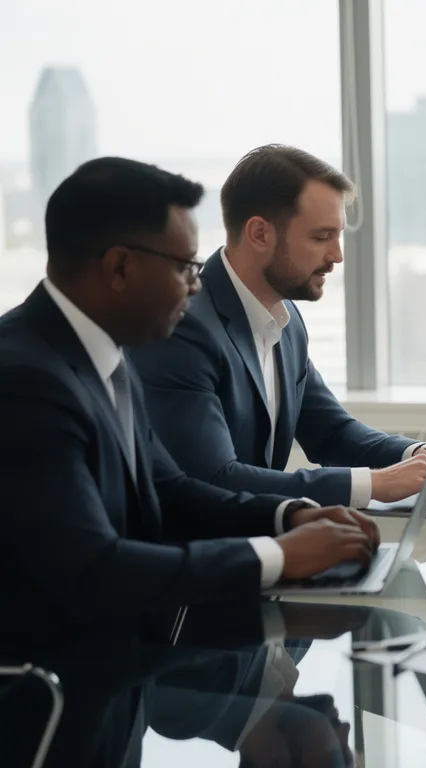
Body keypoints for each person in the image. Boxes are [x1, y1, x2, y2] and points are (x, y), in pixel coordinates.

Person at [0, 158, 380, 641]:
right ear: (120, 266)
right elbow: (93, 569)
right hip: (54, 698)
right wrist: (279, 556)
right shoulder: (23, 380)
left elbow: (170, 489)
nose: (197, 285)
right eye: (185, 267)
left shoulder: (106, 355)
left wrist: (290, 516)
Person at [128, 145, 426, 509]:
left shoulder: (285, 320)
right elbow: (215, 479)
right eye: (321, 237)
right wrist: (372, 484)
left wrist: (418, 454)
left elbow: (331, 432)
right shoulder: (183, 328)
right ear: (260, 234)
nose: (337, 255)